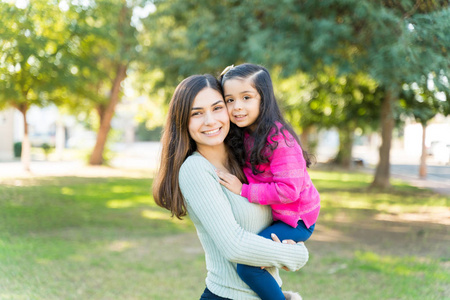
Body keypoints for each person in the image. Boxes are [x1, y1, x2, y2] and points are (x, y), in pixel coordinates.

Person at [152, 74, 307, 300]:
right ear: (183, 121)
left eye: (217, 108)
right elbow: (234, 246)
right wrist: (296, 254)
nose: (210, 121)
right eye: (196, 113)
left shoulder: (246, 160)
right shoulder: (195, 169)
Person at [215, 63, 321, 300]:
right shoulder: (246, 134)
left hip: (297, 221)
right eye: (229, 100)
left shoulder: (279, 139)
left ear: (264, 99)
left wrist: (244, 191)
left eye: (246, 97)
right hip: (280, 216)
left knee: (248, 266)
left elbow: (289, 191)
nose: (237, 106)